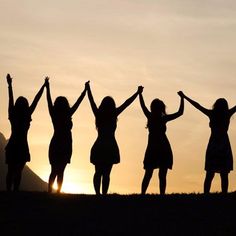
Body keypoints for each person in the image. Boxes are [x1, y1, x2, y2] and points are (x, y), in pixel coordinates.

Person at [86, 81, 143, 195]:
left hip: (100, 145)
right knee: (106, 173)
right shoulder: (113, 113)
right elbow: (127, 103)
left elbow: (91, 101)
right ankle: (103, 194)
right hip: (110, 145)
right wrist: (137, 93)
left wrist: (88, 89)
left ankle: (98, 194)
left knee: (98, 172)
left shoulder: (99, 113)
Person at [181, 92, 236, 194]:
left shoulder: (212, 114)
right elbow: (198, 106)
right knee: (224, 173)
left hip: (214, 144)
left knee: (210, 173)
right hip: (224, 144)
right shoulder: (227, 113)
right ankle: (224, 194)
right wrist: (185, 97)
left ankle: (206, 194)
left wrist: (185, 97)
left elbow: (198, 106)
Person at [45, 77, 87, 193]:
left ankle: (50, 191)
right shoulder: (68, 113)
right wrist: (85, 91)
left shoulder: (54, 114)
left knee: (54, 170)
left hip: (56, 143)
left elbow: (48, 101)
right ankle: (57, 192)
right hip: (65, 144)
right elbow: (78, 102)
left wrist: (47, 87)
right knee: (60, 171)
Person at [5, 73, 46, 191]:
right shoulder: (27, 114)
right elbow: (36, 100)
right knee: (18, 172)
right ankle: (15, 191)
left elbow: (10, 99)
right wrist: (43, 86)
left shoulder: (13, 114)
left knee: (10, 171)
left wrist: (10, 85)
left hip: (13, 145)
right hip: (22, 146)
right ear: (26, 105)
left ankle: (9, 192)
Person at [140, 91, 184, 195]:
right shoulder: (161, 118)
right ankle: (160, 195)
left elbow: (142, 105)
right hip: (161, 147)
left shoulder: (152, 117)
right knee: (158, 174)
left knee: (150, 173)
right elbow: (180, 112)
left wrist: (140, 94)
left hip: (157, 147)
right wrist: (182, 98)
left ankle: (144, 194)